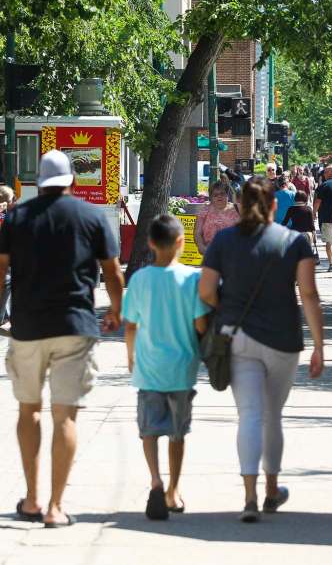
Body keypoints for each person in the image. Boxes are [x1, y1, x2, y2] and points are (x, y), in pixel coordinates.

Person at [0, 150, 123, 528]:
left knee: (29, 410)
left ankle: (31, 498)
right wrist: (116, 311)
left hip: (27, 328)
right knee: (66, 415)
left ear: (38, 183)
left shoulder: (19, 217)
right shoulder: (91, 217)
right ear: (73, 181)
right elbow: (112, 272)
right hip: (75, 326)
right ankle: (56, 508)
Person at [199, 176, 325, 523]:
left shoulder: (223, 241)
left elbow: (206, 290)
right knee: (272, 415)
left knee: (250, 415)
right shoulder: (294, 241)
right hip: (284, 338)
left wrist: (228, 306)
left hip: (238, 337)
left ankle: (250, 496)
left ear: (239, 205)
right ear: (274, 206)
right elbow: (309, 295)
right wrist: (319, 345)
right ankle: (272, 488)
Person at [122, 214, 210, 520]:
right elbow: (201, 324)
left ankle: (155, 480)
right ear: (180, 242)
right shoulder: (192, 279)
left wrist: (131, 357)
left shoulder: (139, 279)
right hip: (182, 368)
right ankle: (174, 489)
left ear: (149, 243)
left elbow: (131, 326)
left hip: (148, 367)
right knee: (177, 432)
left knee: (149, 430)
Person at [195, 181, 240, 255]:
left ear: (227, 195)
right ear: (211, 197)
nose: (219, 196)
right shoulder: (204, 211)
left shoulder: (238, 208)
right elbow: (197, 233)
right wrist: (202, 248)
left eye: (222, 194)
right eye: (215, 195)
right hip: (211, 253)